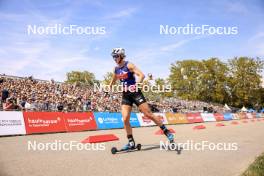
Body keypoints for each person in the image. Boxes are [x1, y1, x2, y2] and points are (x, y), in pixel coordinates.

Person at [109, 48, 175, 150]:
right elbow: (114, 78)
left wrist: (136, 84)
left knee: (148, 114)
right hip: (126, 95)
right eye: (113, 56)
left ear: (121, 56)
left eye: (116, 56)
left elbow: (142, 75)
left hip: (135, 93)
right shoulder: (116, 69)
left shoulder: (129, 65)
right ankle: (131, 142)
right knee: (125, 118)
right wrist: (109, 86)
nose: (114, 58)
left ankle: (167, 132)